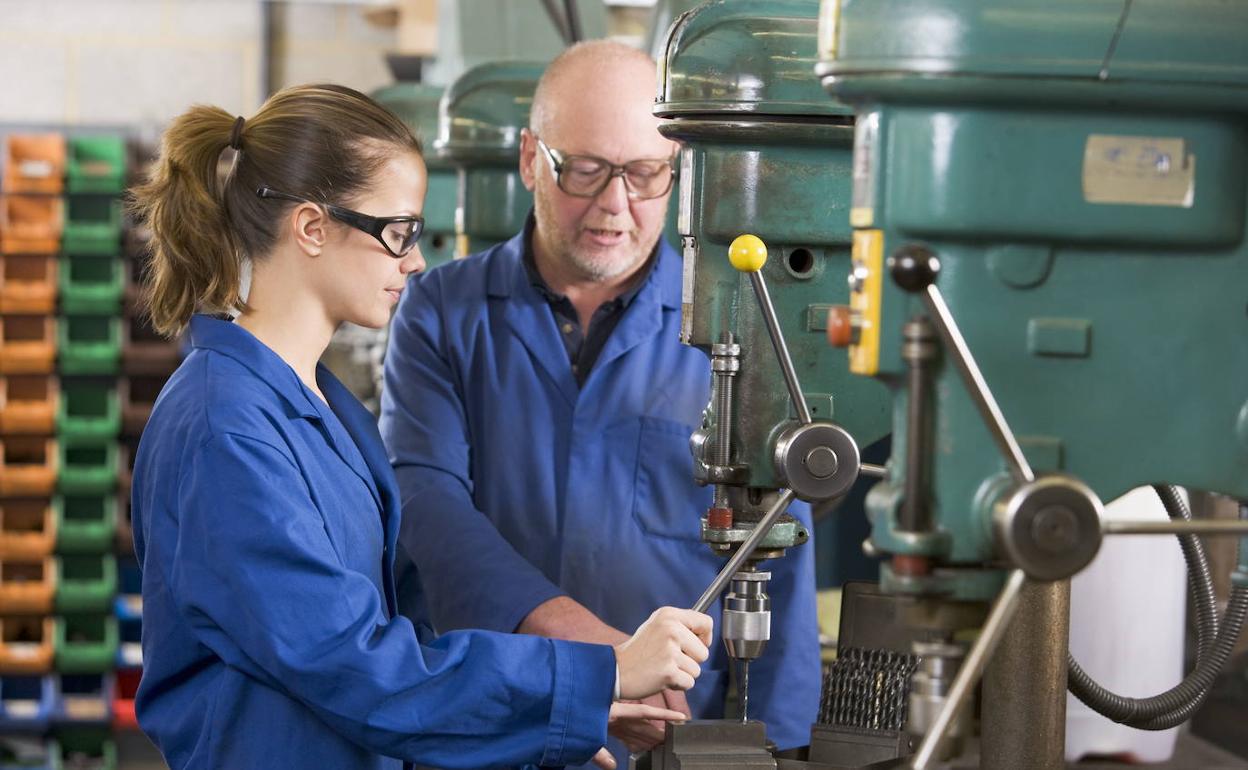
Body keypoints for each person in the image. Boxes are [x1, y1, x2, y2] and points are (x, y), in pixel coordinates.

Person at [127, 83, 714, 770]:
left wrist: (540, 732)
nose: (414, 260)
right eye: (398, 232)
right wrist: (603, 673)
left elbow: (399, 651)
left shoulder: (321, 409)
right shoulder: (224, 429)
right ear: (312, 227)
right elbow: (353, 666)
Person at [380, 41, 822, 766]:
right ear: (530, 159)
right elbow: (425, 504)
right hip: (492, 721)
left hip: (678, 731)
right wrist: (608, 661)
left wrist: (779, 745)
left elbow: (783, 545)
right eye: (583, 171)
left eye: (645, 174)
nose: (614, 206)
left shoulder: (737, 321)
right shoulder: (441, 311)